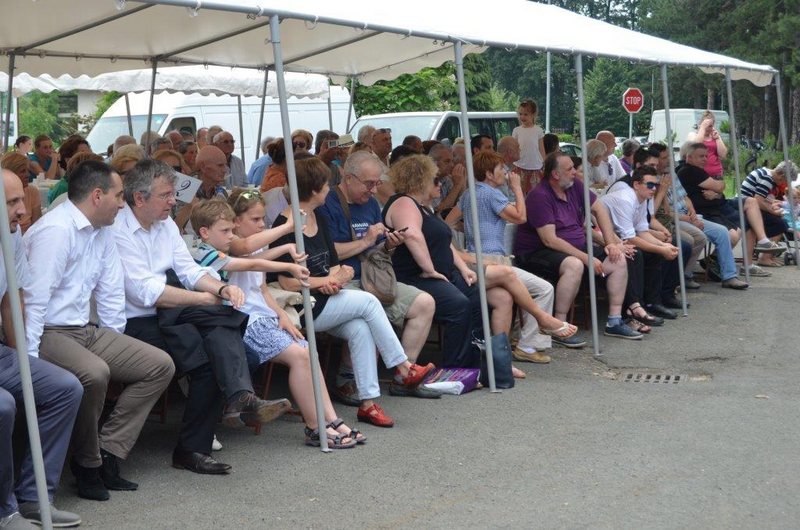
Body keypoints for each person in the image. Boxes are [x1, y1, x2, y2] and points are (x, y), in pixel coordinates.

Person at [113, 159, 289, 475]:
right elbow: (145, 292)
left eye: (172, 194)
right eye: (166, 195)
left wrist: (221, 289)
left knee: (223, 322)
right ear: (139, 198)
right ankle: (216, 423)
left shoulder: (165, 224)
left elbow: (189, 270)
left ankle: (235, 403)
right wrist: (205, 298)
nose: (174, 201)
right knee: (213, 353)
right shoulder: (119, 229)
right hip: (135, 319)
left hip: (172, 311)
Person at [22, 161, 175, 501]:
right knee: (95, 372)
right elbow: (33, 302)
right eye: (119, 196)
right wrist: (29, 362)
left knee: (159, 365)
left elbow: (110, 291)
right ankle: (87, 464)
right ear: (96, 196)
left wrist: (114, 339)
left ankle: (108, 450)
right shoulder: (56, 231)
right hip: (48, 330)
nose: (123, 203)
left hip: (85, 329)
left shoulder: (102, 229)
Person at [272, 155, 434, 428]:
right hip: (302, 304)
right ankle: (403, 366)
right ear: (314, 189)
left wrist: (338, 277)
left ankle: (368, 403)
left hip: (324, 297)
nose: (329, 189)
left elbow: (334, 265)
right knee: (369, 303)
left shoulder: (316, 218)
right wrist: (327, 280)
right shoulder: (285, 225)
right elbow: (288, 283)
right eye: (326, 185)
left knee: (361, 328)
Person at [189, 198, 361, 448]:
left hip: (260, 317)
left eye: (263, 219)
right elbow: (249, 257)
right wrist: (287, 243)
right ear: (237, 221)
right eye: (255, 219)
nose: (262, 224)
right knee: (300, 356)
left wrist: (281, 313)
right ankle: (315, 427)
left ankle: (332, 420)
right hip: (243, 321)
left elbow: (261, 284)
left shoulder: (235, 244)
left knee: (308, 351)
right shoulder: (224, 248)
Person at [318, 151, 439, 400]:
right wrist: (366, 241)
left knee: (425, 303)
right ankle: (347, 379)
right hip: (340, 279)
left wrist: (389, 244)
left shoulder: (371, 204)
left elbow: (375, 249)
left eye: (377, 183)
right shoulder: (327, 203)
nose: (374, 190)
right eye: (369, 183)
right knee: (366, 311)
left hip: (372, 277)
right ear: (349, 178)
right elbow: (328, 253)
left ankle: (404, 378)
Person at [0, 169, 83, 528]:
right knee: (3, 405)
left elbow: (12, 299)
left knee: (64, 388)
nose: (23, 210)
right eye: (12, 202)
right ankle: (4, 510)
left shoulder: (11, 235)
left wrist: (22, 359)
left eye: (22, 198)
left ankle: (35, 497)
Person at [382, 154, 516, 367]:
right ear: (420, 180)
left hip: (442, 273)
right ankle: (456, 366)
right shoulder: (404, 203)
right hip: (415, 276)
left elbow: (445, 243)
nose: (440, 184)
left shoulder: (425, 206)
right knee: (458, 305)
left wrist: (463, 268)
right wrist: (430, 269)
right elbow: (412, 235)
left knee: (476, 297)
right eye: (435, 180)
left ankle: (477, 363)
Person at [445, 150, 577, 361]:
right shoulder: (492, 193)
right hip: (492, 260)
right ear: (489, 174)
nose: (506, 172)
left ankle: (502, 353)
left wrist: (468, 231)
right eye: (501, 168)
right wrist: (517, 188)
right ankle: (529, 345)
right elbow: (520, 217)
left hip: (473, 259)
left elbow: (448, 223)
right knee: (544, 289)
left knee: (505, 299)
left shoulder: (468, 193)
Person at [514, 153, 640, 345]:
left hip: (574, 248)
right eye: (570, 169)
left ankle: (614, 321)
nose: (575, 172)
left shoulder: (575, 186)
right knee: (574, 264)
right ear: (556, 174)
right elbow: (550, 240)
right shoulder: (540, 196)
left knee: (617, 259)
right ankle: (559, 326)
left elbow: (599, 209)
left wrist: (611, 244)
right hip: (536, 252)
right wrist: (585, 257)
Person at [677, 142, 782, 278]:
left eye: (706, 156)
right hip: (710, 211)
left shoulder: (698, 170)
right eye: (701, 156)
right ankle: (718, 261)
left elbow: (721, 185)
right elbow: (719, 186)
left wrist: (717, 192)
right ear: (688, 157)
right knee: (742, 227)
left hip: (719, 204)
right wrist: (717, 189)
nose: (705, 159)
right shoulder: (689, 171)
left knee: (751, 203)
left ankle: (761, 242)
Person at [653, 143, 748, 290]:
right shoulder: (653, 179)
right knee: (698, 237)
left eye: (669, 157)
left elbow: (685, 197)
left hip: (690, 215)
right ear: (656, 159)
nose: (669, 160)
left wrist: (692, 213)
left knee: (722, 231)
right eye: (665, 158)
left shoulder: (671, 173)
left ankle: (729, 276)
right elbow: (663, 213)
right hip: (674, 219)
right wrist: (688, 218)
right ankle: (684, 276)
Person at [601, 165, 684, 324]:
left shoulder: (643, 199)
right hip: (599, 236)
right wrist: (661, 249)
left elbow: (642, 231)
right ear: (636, 184)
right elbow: (630, 239)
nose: (654, 189)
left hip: (615, 237)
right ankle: (634, 306)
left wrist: (662, 246)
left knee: (657, 251)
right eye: (650, 185)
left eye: (656, 185)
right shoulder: (626, 199)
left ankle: (653, 301)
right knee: (635, 254)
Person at [739, 161, 796, 267]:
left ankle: (767, 255)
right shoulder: (768, 179)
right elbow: (758, 200)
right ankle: (765, 257)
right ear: (781, 176)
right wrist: (773, 211)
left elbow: (761, 198)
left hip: (746, 204)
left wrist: (772, 204)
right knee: (780, 224)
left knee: (778, 220)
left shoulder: (765, 172)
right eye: (785, 181)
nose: (783, 184)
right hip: (746, 208)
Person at [174, 145, 229, 232]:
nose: (225, 170)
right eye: (220, 165)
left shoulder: (221, 193)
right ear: (203, 167)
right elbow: (171, 228)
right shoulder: (185, 187)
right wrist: (188, 208)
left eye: (225, 165)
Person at [0, 153, 41, 233]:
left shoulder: (33, 191)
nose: (28, 175)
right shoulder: (2, 192)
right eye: (22, 171)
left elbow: (37, 226)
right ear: (11, 173)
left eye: (28, 171)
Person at [512, 99, 546, 192]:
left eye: (526, 114)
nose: (522, 117)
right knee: (519, 191)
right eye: (520, 114)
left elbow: (541, 149)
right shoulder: (516, 130)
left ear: (533, 115)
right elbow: (514, 148)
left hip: (535, 167)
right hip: (519, 165)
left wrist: (544, 163)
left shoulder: (538, 130)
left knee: (535, 193)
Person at [687, 110, 727, 178]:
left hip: (716, 175)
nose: (708, 128)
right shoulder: (693, 135)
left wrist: (718, 138)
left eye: (710, 126)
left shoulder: (714, 136)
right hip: (699, 175)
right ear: (701, 123)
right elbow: (695, 147)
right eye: (706, 125)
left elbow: (723, 154)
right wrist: (702, 128)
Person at [428, 144, 465, 214]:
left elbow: (461, 203)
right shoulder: (426, 181)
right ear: (433, 162)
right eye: (447, 161)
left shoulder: (446, 178)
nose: (452, 165)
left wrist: (461, 181)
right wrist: (457, 185)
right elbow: (439, 209)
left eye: (452, 161)